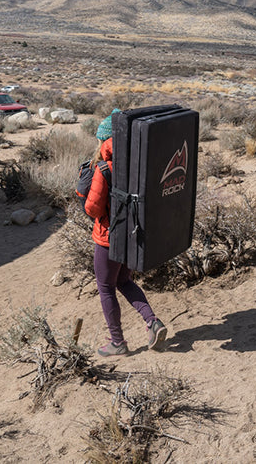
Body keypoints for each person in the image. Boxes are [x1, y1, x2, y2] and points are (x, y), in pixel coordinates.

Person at [85, 111, 167, 356]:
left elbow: (93, 207)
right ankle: (152, 322)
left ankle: (117, 342)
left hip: (108, 237)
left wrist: (83, 194)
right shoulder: (138, 163)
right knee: (123, 281)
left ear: (104, 140)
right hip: (133, 235)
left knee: (106, 287)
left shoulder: (104, 167)